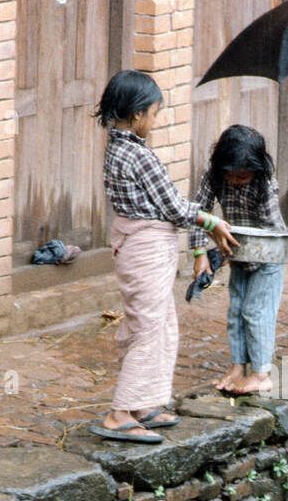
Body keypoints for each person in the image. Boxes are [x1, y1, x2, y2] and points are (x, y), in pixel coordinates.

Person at [94, 70, 237, 443]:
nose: (155, 122)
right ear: (138, 114)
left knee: (158, 322)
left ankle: (145, 403)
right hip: (146, 246)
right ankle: (119, 412)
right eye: (154, 114)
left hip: (135, 242)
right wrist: (212, 222)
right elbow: (174, 207)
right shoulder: (138, 156)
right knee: (147, 328)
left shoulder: (116, 147)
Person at [188, 125, 287, 396]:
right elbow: (198, 212)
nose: (236, 181)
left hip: (268, 256)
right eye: (231, 175)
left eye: (243, 176)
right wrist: (200, 254)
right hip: (238, 253)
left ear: (257, 169)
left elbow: (272, 231)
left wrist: (231, 245)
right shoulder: (214, 177)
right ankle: (238, 367)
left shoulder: (264, 184)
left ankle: (261, 373)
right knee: (236, 312)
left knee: (256, 312)